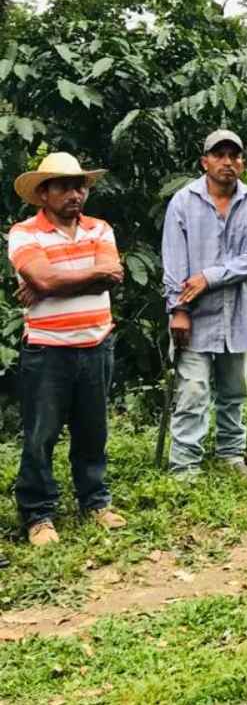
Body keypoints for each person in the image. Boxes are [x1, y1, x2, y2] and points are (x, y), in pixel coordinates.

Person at [8, 152, 127, 545]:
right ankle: (38, 515)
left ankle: (95, 502)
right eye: (63, 186)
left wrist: (55, 280)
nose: (74, 194)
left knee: (93, 431)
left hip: (96, 344)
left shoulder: (100, 228)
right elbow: (45, 277)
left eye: (79, 186)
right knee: (41, 435)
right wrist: (82, 276)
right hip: (48, 350)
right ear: (43, 193)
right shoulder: (25, 233)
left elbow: (110, 275)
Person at [161, 129, 247, 481]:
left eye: (234, 156)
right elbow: (174, 261)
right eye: (219, 155)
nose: (228, 162)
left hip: (237, 314)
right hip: (193, 316)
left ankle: (230, 455)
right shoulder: (183, 201)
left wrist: (209, 276)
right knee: (192, 391)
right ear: (204, 161)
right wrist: (178, 310)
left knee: (234, 391)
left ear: (243, 162)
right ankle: (184, 467)